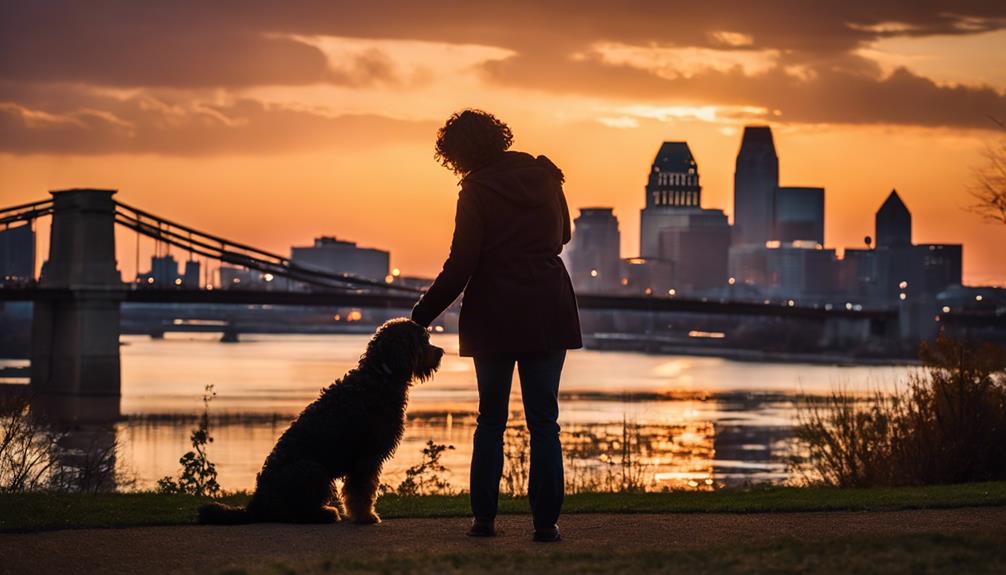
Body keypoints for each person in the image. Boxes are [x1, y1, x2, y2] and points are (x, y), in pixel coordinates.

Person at [411, 109, 582, 542]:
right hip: (547, 304)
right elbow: (563, 235)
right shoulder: (546, 174)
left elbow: (461, 264)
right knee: (545, 421)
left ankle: (484, 520)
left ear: (460, 154)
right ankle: (546, 525)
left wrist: (419, 318)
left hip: (495, 311)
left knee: (491, 420)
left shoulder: (476, 188)